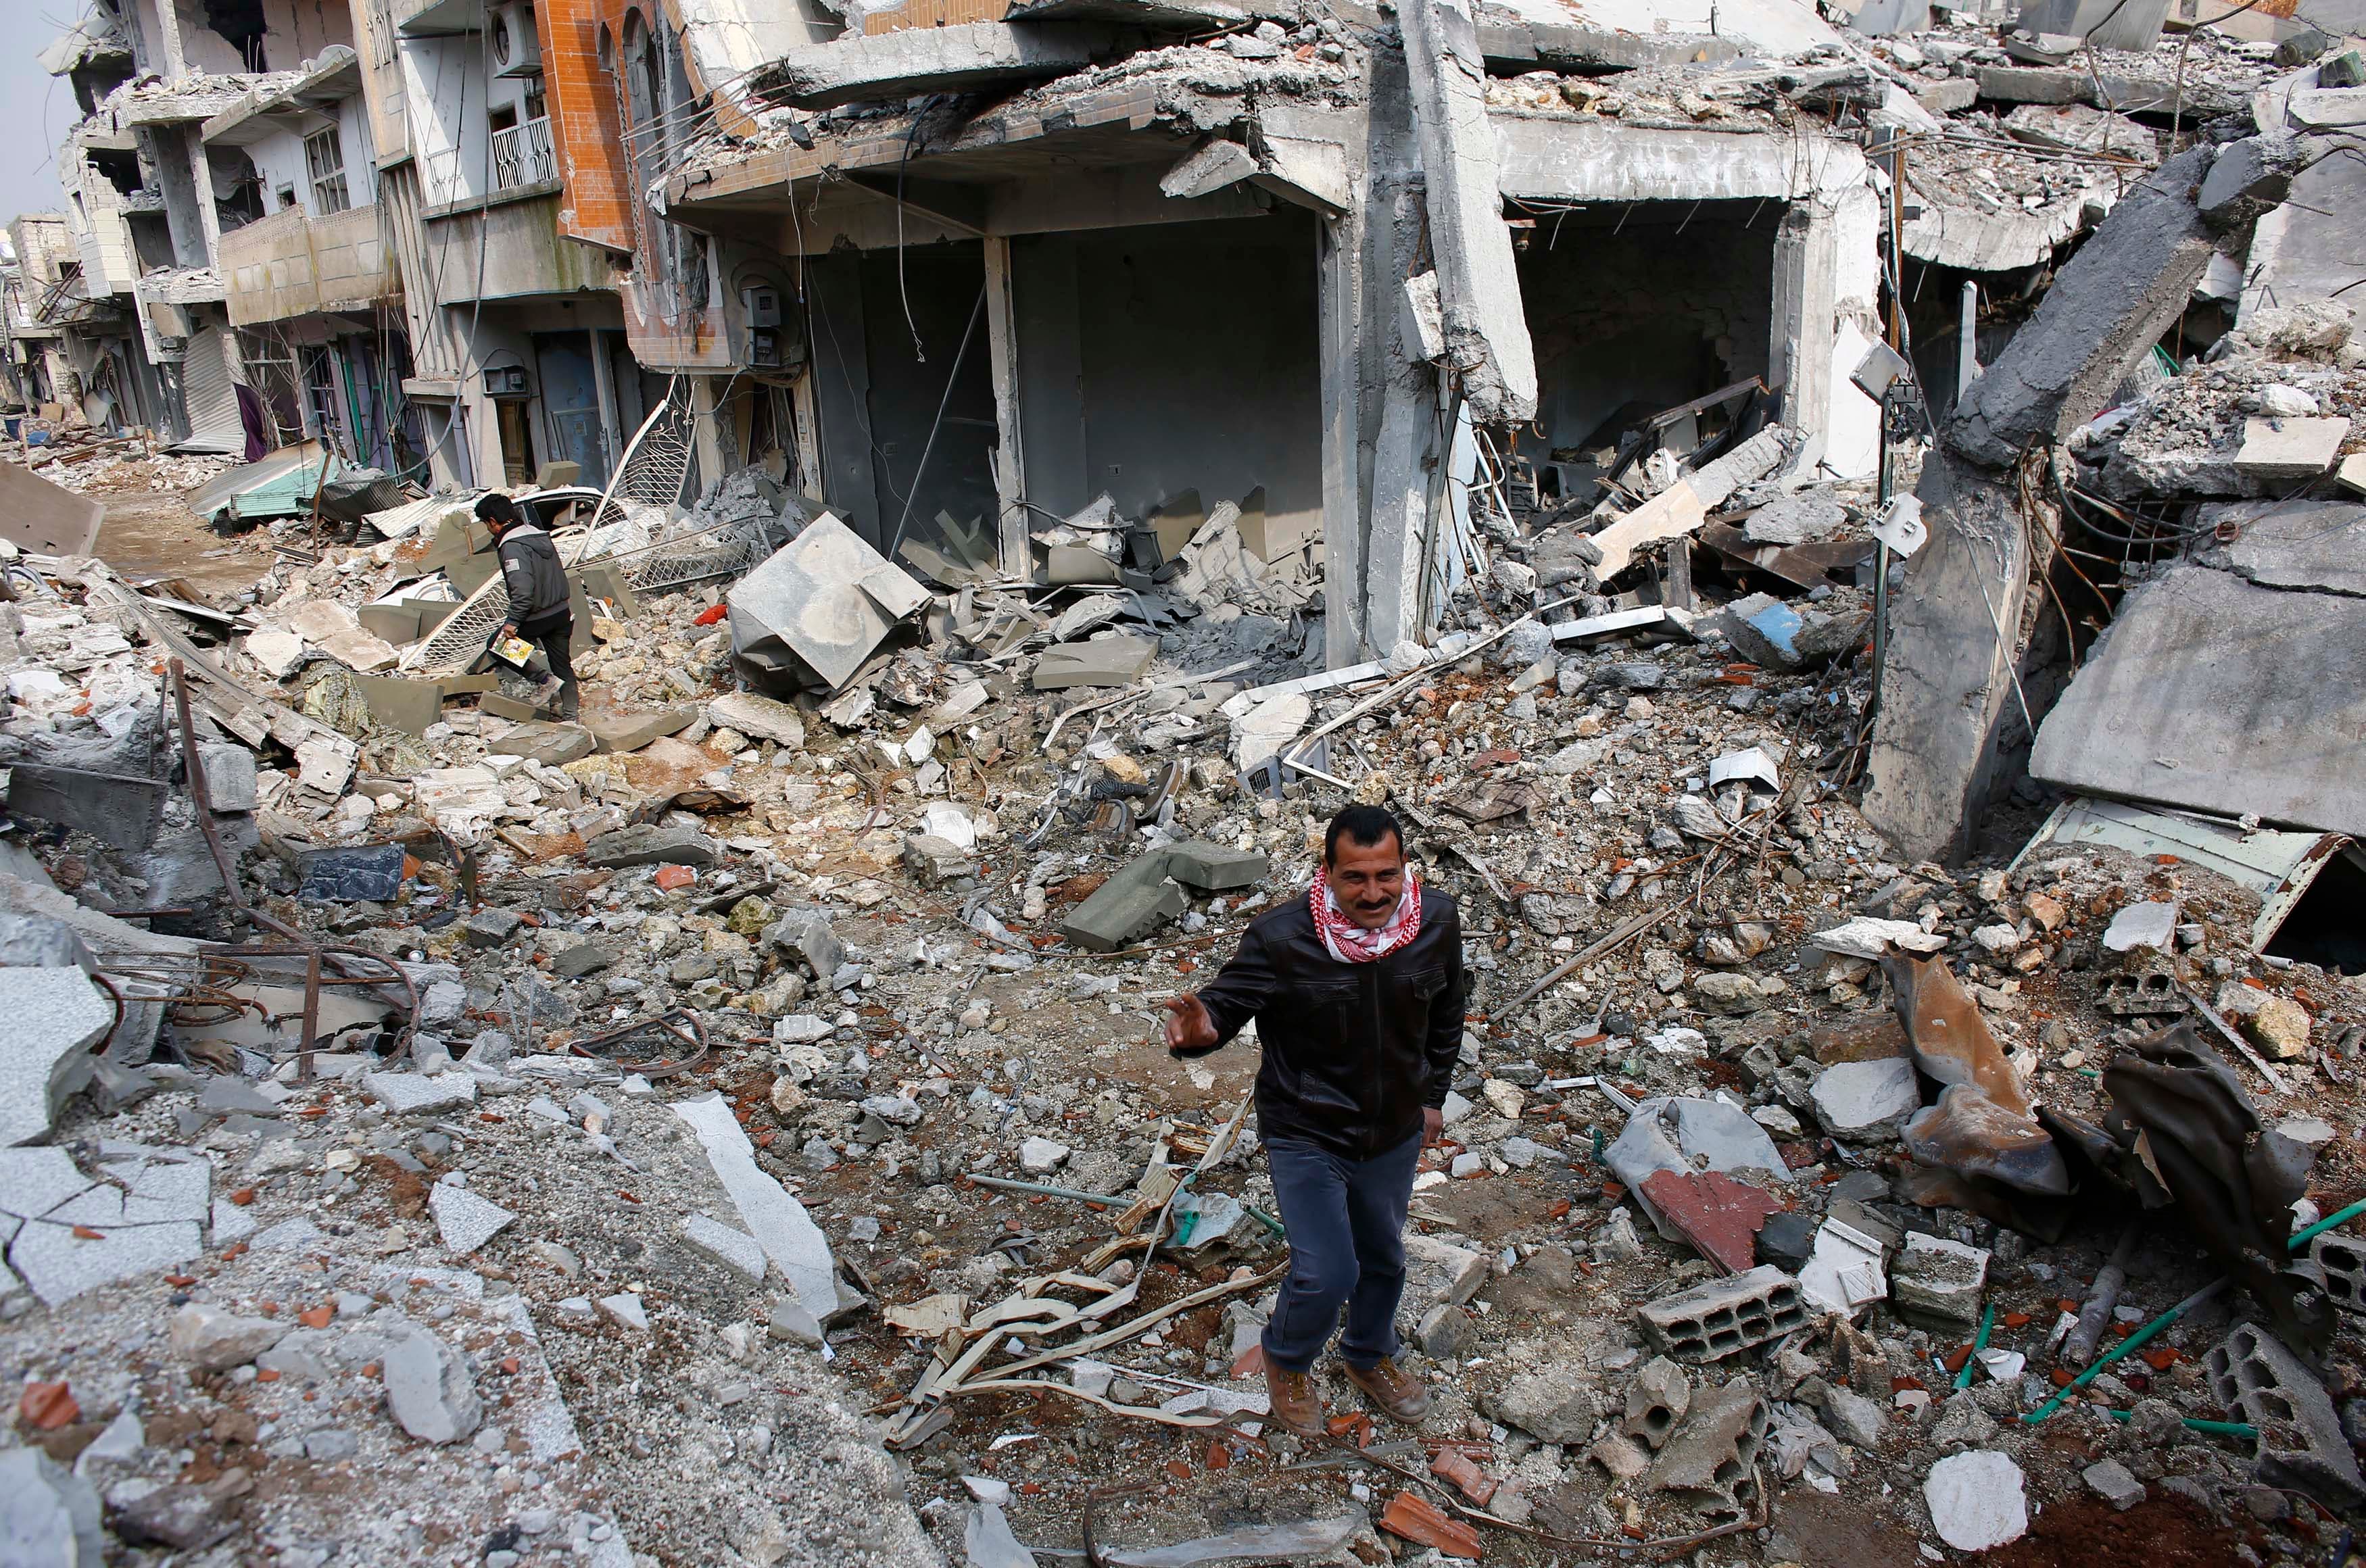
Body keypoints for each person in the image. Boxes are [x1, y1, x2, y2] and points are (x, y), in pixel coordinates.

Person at [1161, 803, 1464, 1436]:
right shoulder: (1281, 938)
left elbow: (1445, 1017)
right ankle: (1288, 1358)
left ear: (1405, 867)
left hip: (1394, 1129)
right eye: (1355, 877)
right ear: (1326, 871)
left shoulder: (1436, 920)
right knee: (1328, 1270)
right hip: (1308, 1130)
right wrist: (1199, 1032)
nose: (1373, 893)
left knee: (1383, 1257)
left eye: (1386, 875)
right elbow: (1226, 1003)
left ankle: (1367, 1355)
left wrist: (1432, 1097)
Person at [475, 492, 577, 719]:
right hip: (561, 611)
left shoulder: (512, 546)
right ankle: (572, 718)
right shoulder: (537, 534)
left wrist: (512, 622)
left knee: (497, 645)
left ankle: (544, 680)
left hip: (536, 616)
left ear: (493, 521)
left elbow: (523, 590)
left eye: (486, 524)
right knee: (562, 665)